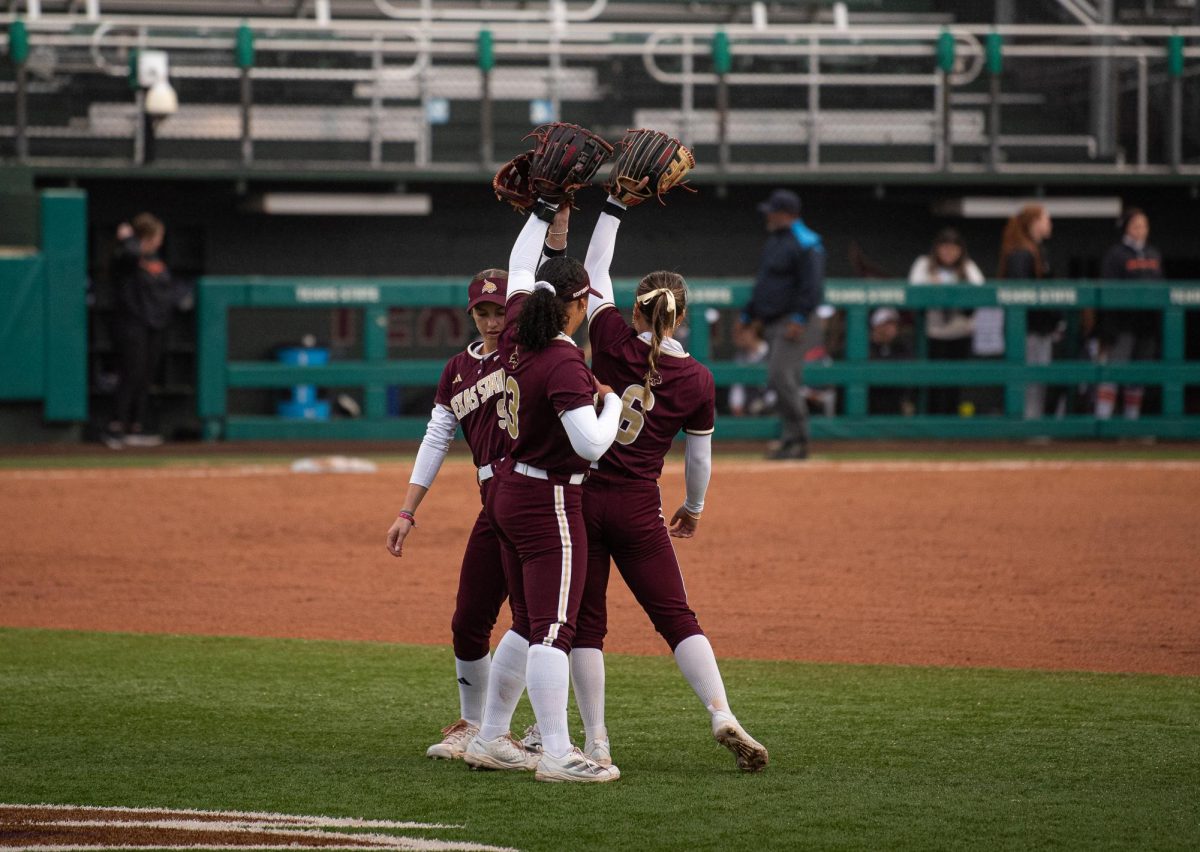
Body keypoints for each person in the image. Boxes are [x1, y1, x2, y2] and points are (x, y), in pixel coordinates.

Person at [562, 194, 769, 772]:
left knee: (586, 625)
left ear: (634, 310)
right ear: (681, 318)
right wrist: (694, 507)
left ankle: (597, 740)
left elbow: (594, 268)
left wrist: (615, 204)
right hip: (638, 507)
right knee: (677, 618)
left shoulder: (607, 337)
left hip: (582, 497)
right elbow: (698, 457)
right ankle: (721, 711)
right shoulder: (697, 378)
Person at [471, 204, 624, 783]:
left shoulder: (513, 331)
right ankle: (558, 751)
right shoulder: (562, 359)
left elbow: (516, 262)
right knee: (555, 629)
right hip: (550, 498)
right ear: (580, 305)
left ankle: (489, 736)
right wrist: (613, 403)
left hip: (507, 489)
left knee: (527, 620)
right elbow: (589, 445)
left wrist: (539, 210)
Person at [738, 188, 825, 460]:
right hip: (775, 321)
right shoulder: (776, 240)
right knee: (783, 380)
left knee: (780, 376)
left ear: (786, 214)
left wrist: (799, 318)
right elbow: (766, 283)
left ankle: (799, 439)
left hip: (795, 321)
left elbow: (812, 286)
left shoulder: (806, 241)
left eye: (773, 212)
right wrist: (747, 315)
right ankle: (791, 440)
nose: (769, 216)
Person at [103, 213, 174, 448]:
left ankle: (136, 426)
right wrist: (129, 238)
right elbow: (130, 255)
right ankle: (116, 427)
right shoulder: (126, 256)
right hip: (130, 325)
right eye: (157, 236)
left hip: (153, 326)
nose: (160, 242)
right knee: (130, 374)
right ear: (147, 236)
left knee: (145, 376)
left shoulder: (155, 260)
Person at [1095, 208, 1163, 421]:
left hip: (1147, 324)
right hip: (1121, 324)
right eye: (1136, 225)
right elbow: (1107, 290)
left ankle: (1131, 422)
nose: (1140, 230)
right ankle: (1103, 420)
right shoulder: (1116, 254)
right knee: (1114, 371)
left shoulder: (1153, 253)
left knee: (1139, 374)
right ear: (1126, 228)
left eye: (1144, 225)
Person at [908, 228, 985, 415]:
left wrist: (958, 287)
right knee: (931, 381)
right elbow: (912, 290)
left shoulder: (967, 267)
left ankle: (952, 425)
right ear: (937, 249)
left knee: (955, 382)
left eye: (953, 248)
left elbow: (982, 290)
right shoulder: (924, 264)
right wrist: (930, 286)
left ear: (960, 250)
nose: (949, 252)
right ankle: (930, 423)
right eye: (944, 248)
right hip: (932, 333)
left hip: (959, 332)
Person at [998, 204, 1059, 420]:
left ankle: (1033, 424)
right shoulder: (1021, 253)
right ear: (1033, 223)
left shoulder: (1037, 249)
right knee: (1030, 380)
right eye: (1046, 219)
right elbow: (1021, 295)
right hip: (1027, 329)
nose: (1049, 224)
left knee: (1039, 380)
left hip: (1040, 327)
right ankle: (1027, 427)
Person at [867, 307, 915, 416]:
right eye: (886, 324)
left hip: (894, 407)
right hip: (870, 406)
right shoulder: (865, 347)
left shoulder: (901, 347)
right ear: (876, 326)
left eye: (893, 324)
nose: (891, 328)